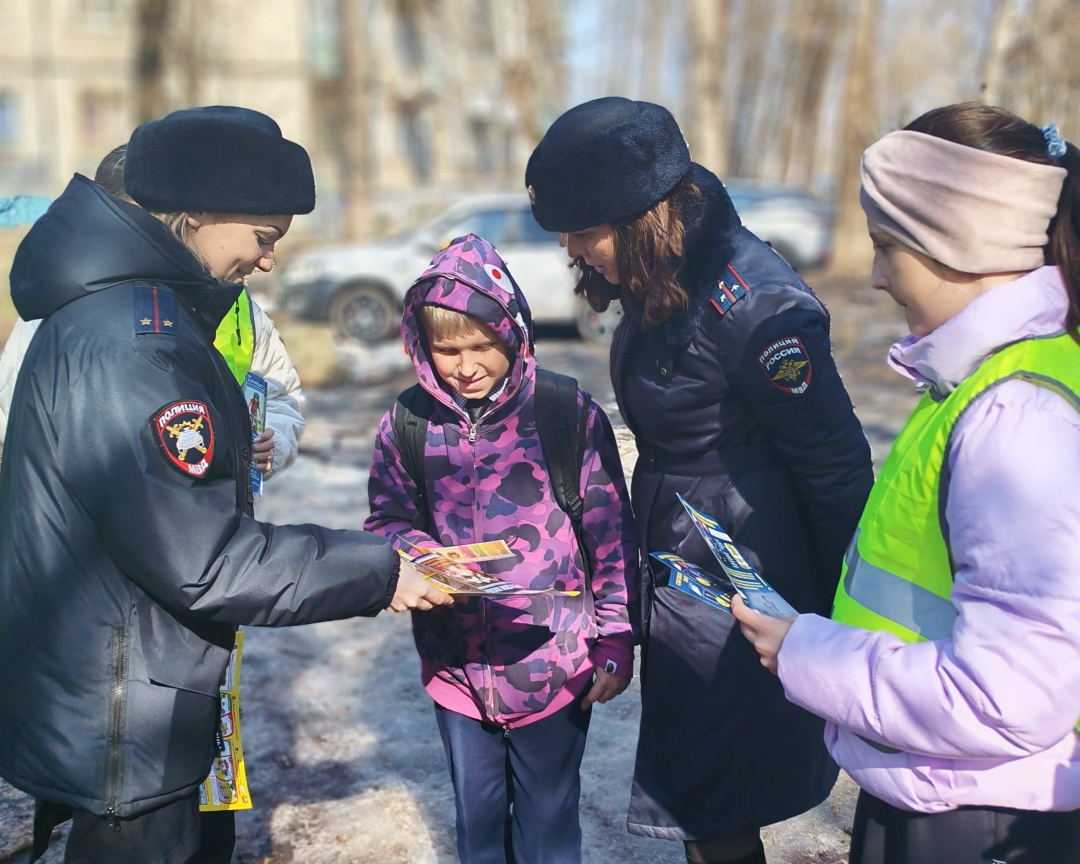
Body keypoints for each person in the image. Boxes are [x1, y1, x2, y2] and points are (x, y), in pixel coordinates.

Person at [0, 105, 453, 864]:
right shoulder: (135, 346)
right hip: (124, 720)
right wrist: (381, 569)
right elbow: (206, 560)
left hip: (115, 693)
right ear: (199, 211)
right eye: (264, 237)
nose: (269, 261)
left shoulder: (126, 315)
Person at [524, 97, 875, 864]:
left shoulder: (758, 307)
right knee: (702, 792)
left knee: (709, 794)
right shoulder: (667, 273)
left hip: (740, 571)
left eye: (582, 232)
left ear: (638, 215)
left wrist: (851, 609)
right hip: (684, 562)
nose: (576, 254)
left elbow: (834, 465)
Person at [733, 102, 1080, 864]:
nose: (877, 275)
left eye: (888, 245)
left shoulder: (1013, 416)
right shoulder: (978, 385)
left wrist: (805, 652)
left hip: (975, 816)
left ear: (959, 241)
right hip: (944, 784)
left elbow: (1006, 695)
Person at [364, 232, 639, 864]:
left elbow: (610, 534)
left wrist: (617, 639)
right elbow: (386, 518)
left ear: (512, 333)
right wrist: (417, 555)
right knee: (478, 823)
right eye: (445, 349)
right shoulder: (409, 423)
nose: (463, 366)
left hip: (557, 664)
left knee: (548, 824)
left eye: (480, 345)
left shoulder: (564, 412)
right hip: (456, 667)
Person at [0, 144, 306, 485]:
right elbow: (16, 431)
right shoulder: (68, 311)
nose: (268, 262)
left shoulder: (236, 301)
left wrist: (270, 441)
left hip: (212, 515)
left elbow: (281, 394)